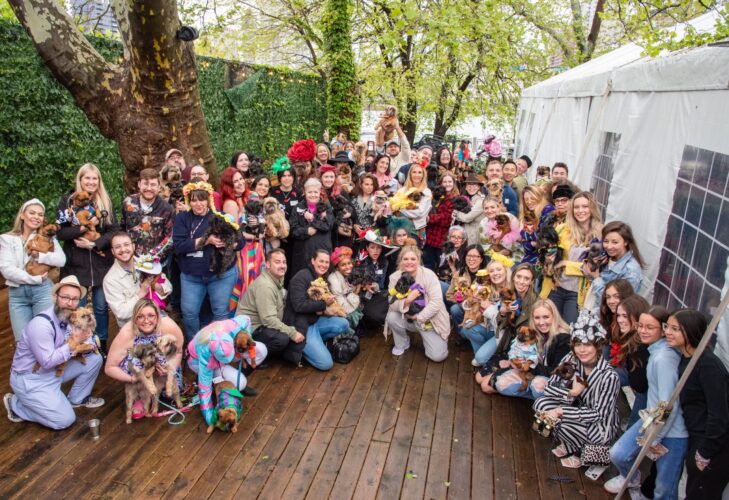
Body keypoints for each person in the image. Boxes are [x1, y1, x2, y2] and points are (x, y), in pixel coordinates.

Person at [605, 305, 689, 499]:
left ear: (662, 329)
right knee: (618, 453)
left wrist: (655, 438)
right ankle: (632, 478)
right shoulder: (654, 350)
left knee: (664, 488)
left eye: (649, 327)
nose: (642, 331)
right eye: (640, 326)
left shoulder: (664, 358)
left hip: (671, 431)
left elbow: (668, 405)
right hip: (651, 420)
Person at [4, 276, 105, 429]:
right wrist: (75, 342)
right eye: (65, 297)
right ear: (55, 297)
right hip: (32, 378)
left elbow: (88, 342)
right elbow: (47, 362)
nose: (70, 303)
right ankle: (16, 405)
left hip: (54, 371)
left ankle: (76, 399)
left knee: (94, 359)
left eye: (75, 299)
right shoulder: (41, 325)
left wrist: (88, 342)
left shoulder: (70, 319)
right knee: (64, 420)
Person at [532, 314, 620, 468]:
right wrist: (571, 393)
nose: (582, 350)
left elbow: (598, 414)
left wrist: (561, 411)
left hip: (599, 427)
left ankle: (584, 452)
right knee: (541, 405)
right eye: (578, 344)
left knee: (561, 422)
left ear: (597, 346)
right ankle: (571, 444)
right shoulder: (572, 358)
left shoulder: (609, 376)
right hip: (576, 407)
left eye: (588, 344)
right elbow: (549, 387)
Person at [663, 309, 729, 499]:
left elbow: (719, 414)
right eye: (667, 326)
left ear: (691, 331)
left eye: (675, 328)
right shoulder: (686, 358)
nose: (667, 332)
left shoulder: (708, 365)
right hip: (697, 437)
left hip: (712, 446)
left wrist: (705, 452)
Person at [56, 163, 118, 351]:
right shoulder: (68, 201)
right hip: (76, 264)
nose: (91, 182)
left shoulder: (105, 202)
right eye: (87, 178)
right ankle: (77, 345)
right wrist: (83, 227)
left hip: (101, 262)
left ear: (99, 181)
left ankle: (101, 344)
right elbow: (61, 233)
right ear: (80, 179)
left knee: (100, 307)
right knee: (77, 309)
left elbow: (113, 231)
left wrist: (94, 244)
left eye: (94, 178)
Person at [172, 181, 242, 340]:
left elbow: (241, 241)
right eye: (194, 200)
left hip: (221, 275)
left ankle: (219, 345)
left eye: (202, 200)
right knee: (189, 313)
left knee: (221, 313)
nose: (198, 204)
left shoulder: (221, 217)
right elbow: (179, 245)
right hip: (191, 276)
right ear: (189, 201)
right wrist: (206, 240)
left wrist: (229, 243)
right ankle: (194, 345)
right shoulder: (182, 218)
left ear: (209, 200)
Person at [104, 298, 183, 417]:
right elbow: (109, 367)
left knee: (173, 393)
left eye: (151, 316)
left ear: (158, 316)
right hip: (140, 370)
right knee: (137, 365)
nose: (146, 320)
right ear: (134, 319)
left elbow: (178, 352)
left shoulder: (168, 326)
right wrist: (133, 379)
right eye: (140, 317)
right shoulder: (127, 333)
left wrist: (169, 368)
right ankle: (139, 396)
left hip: (164, 363)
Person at [0, 199, 66, 340]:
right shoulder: (6, 239)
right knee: (22, 340)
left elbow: (61, 260)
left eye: (40, 215)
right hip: (17, 295)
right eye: (32, 213)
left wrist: (40, 256)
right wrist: (34, 279)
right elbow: (7, 269)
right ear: (22, 215)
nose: (36, 217)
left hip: (42, 291)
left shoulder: (47, 236)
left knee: (45, 336)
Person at [187, 315, 268, 426]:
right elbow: (204, 392)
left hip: (228, 351)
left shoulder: (233, 327)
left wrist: (247, 340)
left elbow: (247, 319)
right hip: (199, 362)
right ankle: (219, 381)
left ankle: (235, 376)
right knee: (240, 383)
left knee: (261, 349)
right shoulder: (206, 357)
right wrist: (211, 419)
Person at [484, 299, 572, 399]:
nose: (541, 322)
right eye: (537, 318)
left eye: (546, 317)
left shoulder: (563, 338)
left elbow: (557, 372)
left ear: (554, 316)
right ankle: (530, 391)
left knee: (537, 385)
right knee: (495, 384)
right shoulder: (533, 332)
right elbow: (516, 348)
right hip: (529, 372)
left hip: (550, 378)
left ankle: (544, 397)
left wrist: (528, 365)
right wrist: (513, 361)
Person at [236, 248, 305, 364]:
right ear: (267, 265)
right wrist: (292, 333)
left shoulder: (276, 279)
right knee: (281, 339)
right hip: (250, 329)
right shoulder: (266, 286)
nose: (282, 266)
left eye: (284, 262)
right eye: (277, 262)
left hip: (263, 323)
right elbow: (268, 319)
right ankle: (254, 357)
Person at [283, 250, 350, 371]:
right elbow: (299, 305)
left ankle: (316, 343)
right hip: (300, 324)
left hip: (314, 320)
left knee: (344, 323)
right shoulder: (301, 277)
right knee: (326, 364)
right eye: (321, 261)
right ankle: (303, 348)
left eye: (326, 262)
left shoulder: (323, 278)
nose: (324, 265)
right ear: (313, 261)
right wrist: (324, 304)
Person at [545, 192, 603, 324]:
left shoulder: (601, 234)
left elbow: (594, 268)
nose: (580, 211)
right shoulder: (562, 229)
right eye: (576, 207)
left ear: (592, 208)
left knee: (568, 328)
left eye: (585, 206)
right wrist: (548, 259)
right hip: (556, 287)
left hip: (578, 293)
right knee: (550, 327)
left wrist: (566, 264)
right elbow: (549, 257)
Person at [385, 245, 449, 362]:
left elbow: (436, 303)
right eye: (405, 259)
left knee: (438, 356)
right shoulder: (394, 277)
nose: (409, 262)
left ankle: (433, 339)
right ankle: (403, 342)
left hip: (429, 321)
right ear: (401, 260)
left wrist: (419, 317)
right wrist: (407, 300)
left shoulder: (429, 275)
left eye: (413, 259)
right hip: (407, 317)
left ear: (418, 260)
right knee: (392, 317)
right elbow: (391, 302)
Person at [477, 264, 539, 385]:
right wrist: (503, 312)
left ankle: (516, 379)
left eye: (526, 278)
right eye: (519, 277)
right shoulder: (509, 294)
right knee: (479, 378)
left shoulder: (536, 303)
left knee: (485, 385)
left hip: (522, 352)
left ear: (532, 282)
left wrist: (512, 360)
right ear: (513, 277)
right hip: (507, 344)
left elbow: (533, 340)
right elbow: (500, 325)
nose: (521, 281)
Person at [220, 167, 265, 312]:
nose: (240, 183)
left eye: (241, 179)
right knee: (244, 281)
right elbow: (235, 232)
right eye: (235, 181)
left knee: (258, 281)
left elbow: (262, 218)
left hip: (257, 247)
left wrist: (261, 230)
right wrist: (254, 236)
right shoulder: (230, 204)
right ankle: (241, 317)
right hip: (242, 250)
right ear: (229, 185)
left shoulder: (252, 196)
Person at [103, 232, 171, 328]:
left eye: (126, 245)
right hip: (133, 326)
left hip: (157, 317)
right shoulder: (110, 280)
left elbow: (168, 288)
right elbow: (121, 313)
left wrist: (155, 285)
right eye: (118, 247)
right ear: (113, 251)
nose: (123, 249)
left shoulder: (147, 263)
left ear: (133, 246)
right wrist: (141, 293)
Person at [607, 295, 651, 425]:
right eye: (618, 315)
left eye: (625, 316)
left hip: (648, 396)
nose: (620, 320)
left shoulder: (641, 345)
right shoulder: (631, 339)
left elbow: (640, 385)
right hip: (639, 385)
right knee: (603, 376)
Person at [585, 221, 644, 313]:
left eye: (615, 242)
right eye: (606, 241)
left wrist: (596, 278)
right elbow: (588, 273)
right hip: (591, 309)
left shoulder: (631, 270)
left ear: (626, 242)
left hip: (605, 317)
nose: (609, 246)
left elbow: (618, 304)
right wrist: (593, 265)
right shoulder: (607, 256)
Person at [121, 167, 174, 259]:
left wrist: (153, 256)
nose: (149, 188)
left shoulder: (167, 209)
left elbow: (170, 239)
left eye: (153, 185)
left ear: (159, 187)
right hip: (129, 258)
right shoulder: (128, 202)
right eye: (145, 184)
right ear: (139, 184)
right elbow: (122, 228)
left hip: (155, 261)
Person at [288, 178, 335, 278]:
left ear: (319, 192)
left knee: (322, 280)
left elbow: (328, 225)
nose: (313, 195)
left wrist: (312, 219)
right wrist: (306, 231)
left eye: (315, 192)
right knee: (302, 280)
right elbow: (293, 230)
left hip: (322, 251)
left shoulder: (326, 207)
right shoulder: (298, 207)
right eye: (310, 192)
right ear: (304, 192)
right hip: (303, 253)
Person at [424, 172, 459, 271]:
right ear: (440, 183)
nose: (447, 184)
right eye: (445, 182)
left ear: (453, 183)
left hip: (442, 239)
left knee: (442, 268)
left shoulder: (455, 198)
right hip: (430, 238)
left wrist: (430, 218)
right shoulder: (437, 196)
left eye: (450, 182)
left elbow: (447, 219)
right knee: (428, 266)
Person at [395, 162, 432, 246]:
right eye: (414, 172)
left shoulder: (426, 192)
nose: (417, 175)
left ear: (423, 175)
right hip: (400, 229)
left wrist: (401, 210)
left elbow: (420, 213)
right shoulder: (402, 191)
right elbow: (394, 208)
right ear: (410, 174)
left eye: (420, 172)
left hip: (416, 231)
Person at [328, 247, 362, 334]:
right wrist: (356, 291)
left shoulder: (346, 275)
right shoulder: (334, 281)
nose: (348, 267)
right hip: (340, 313)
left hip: (349, 304)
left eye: (349, 263)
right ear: (337, 267)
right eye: (343, 265)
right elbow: (343, 308)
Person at [454, 174, 485, 246]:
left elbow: (467, 218)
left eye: (474, 185)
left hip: (474, 237)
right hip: (464, 235)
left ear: (478, 187)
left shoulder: (481, 201)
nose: (471, 187)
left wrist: (456, 213)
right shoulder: (466, 198)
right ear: (466, 187)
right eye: (469, 185)